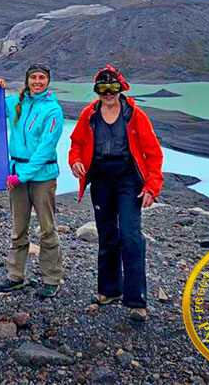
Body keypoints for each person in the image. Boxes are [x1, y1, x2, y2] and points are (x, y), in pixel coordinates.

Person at [68, 64, 163, 321]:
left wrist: (152, 187)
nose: (108, 93)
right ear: (97, 90)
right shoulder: (90, 114)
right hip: (101, 180)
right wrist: (75, 161)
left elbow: (153, 154)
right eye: (102, 88)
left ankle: (136, 301)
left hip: (128, 182)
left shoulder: (135, 115)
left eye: (113, 88)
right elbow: (76, 144)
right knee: (107, 235)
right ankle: (109, 290)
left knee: (131, 236)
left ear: (121, 88)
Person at [0, 64, 65, 298]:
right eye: (33, 77)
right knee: (18, 228)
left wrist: (22, 175)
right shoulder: (17, 103)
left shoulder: (53, 110)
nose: (37, 81)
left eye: (42, 78)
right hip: (17, 174)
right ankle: (15, 276)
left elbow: (46, 148)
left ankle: (51, 278)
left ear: (48, 81)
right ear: (27, 80)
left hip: (42, 176)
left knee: (47, 229)